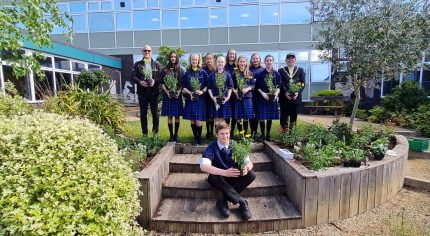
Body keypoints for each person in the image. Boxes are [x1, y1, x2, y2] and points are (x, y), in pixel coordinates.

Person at [200, 122, 255, 220]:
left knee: (251, 174)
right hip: (220, 178)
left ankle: (222, 200)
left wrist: (247, 168)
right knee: (213, 176)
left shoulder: (234, 145)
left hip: (233, 176)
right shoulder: (212, 147)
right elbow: (203, 166)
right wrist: (225, 172)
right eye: (222, 133)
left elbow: (249, 162)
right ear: (217, 135)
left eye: (227, 133)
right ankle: (242, 202)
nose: (225, 136)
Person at [131, 45, 162, 137]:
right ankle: (144, 134)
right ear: (142, 52)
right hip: (142, 93)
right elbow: (133, 77)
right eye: (145, 51)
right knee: (143, 113)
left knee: (155, 113)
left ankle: (155, 133)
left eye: (149, 51)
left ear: (151, 52)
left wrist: (154, 81)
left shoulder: (157, 64)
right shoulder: (137, 64)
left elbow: (161, 77)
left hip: (154, 92)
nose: (147, 52)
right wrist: (140, 82)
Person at [182, 53, 208, 145]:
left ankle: (200, 137)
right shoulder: (187, 72)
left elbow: (207, 86)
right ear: (190, 60)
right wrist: (190, 93)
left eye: (196, 60)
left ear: (198, 61)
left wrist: (202, 92)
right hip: (191, 99)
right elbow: (183, 87)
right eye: (193, 60)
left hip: (200, 99)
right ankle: (195, 138)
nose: (194, 61)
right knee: (192, 119)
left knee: (199, 120)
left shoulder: (203, 72)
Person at [255, 55, 281, 141]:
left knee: (269, 118)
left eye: (270, 60)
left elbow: (278, 87)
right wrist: (263, 94)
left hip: (272, 98)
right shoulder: (260, 74)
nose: (269, 62)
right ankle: (263, 135)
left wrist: (276, 95)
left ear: (273, 62)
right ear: (264, 62)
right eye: (267, 60)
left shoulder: (276, 74)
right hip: (262, 97)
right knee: (262, 118)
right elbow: (257, 87)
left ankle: (268, 135)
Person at [161, 51, 185, 142]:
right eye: (171, 57)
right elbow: (162, 83)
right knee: (170, 116)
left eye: (174, 57)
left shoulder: (180, 69)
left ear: (177, 58)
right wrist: (167, 92)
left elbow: (182, 83)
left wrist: (179, 91)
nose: (173, 58)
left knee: (177, 116)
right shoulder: (165, 69)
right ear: (169, 58)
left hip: (177, 95)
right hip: (168, 95)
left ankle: (176, 135)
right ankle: (171, 136)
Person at [278, 53, 306, 131]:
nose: (290, 60)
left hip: (295, 99)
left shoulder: (300, 70)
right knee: (284, 117)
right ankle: (284, 135)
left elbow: (303, 83)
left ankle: (292, 135)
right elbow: (281, 83)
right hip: (284, 98)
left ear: (295, 60)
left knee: (293, 118)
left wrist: (298, 92)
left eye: (292, 58)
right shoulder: (281, 71)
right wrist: (285, 92)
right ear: (286, 60)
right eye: (289, 58)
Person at [232, 55, 254, 135]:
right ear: (238, 62)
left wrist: (247, 89)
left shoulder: (249, 73)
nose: (242, 63)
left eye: (244, 61)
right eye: (240, 61)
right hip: (238, 98)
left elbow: (253, 85)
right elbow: (231, 86)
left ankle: (245, 135)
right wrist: (236, 92)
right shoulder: (234, 73)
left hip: (247, 97)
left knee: (246, 118)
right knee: (238, 118)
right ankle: (241, 135)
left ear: (246, 63)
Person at [208, 56, 233, 126]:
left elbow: (230, 87)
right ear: (216, 63)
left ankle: (222, 135)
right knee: (216, 119)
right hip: (215, 99)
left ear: (224, 63)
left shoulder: (228, 75)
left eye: (222, 62)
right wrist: (213, 97)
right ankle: (217, 136)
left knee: (222, 119)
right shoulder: (211, 75)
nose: (220, 63)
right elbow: (209, 88)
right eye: (219, 62)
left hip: (224, 100)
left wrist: (227, 98)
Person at [249, 53, 265, 139]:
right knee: (251, 114)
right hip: (251, 95)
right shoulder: (248, 70)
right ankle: (253, 131)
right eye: (254, 59)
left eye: (257, 59)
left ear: (259, 60)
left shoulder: (263, 70)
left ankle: (259, 133)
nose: (255, 60)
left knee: (259, 115)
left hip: (260, 95)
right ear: (251, 60)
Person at [202, 53, 217, 140]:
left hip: (215, 96)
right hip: (206, 96)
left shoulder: (216, 69)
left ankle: (216, 133)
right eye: (207, 59)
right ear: (205, 60)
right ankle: (209, 132)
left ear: (213, 60)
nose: (209, 60)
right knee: (208, 116)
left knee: (215, 116)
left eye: (210, 58)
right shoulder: (202, 70)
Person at [225, 49, 238, 136]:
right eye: (230, 54)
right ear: (228, 55)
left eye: (233, 54)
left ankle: (232, 131)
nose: (231, 55)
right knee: (227, 115)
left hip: (236, 94)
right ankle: (227, 131)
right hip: (226, 93)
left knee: (234, 114)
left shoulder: (237, 66)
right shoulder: (225, 66)